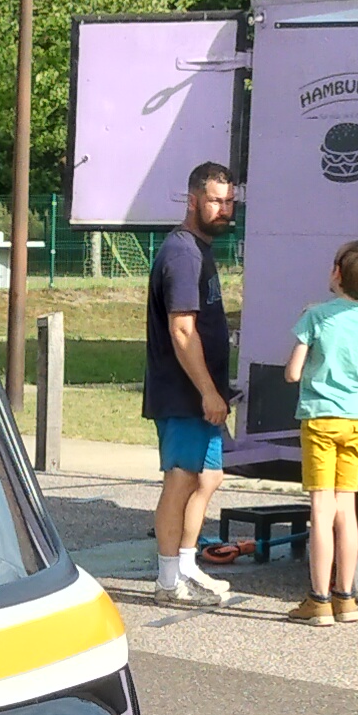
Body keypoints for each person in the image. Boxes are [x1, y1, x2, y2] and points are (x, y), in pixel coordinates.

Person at [143, 161, 239, 605]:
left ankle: (185, 566)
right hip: (183, 394)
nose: (224, 210)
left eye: (229, 202)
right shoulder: (182, 253)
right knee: (181, 480)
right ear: (193, 200)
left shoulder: (200, 249)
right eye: (216, 201)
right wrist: (207, 391)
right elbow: (182, 331)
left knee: (209, 477)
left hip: (202, 394)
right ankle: (168, 581)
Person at [280, 242, 358, 622]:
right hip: (356, 418)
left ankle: (318, 598)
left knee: (321, 510)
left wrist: (305, 328)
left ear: (337, 273)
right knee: (347, 509)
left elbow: (292, 373)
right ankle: (347, 597)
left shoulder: (316, 316)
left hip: (320, 419)